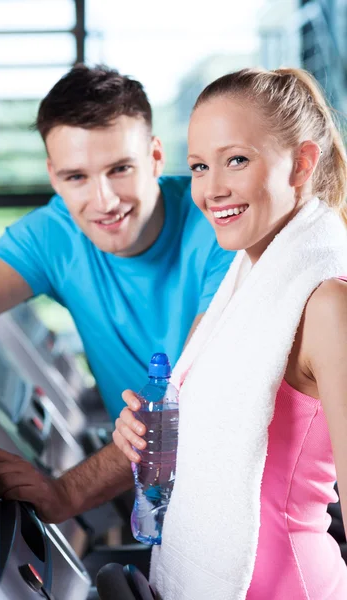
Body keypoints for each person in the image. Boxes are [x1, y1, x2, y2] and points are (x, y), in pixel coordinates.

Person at [0, 64, 234, 522]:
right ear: (52, 175)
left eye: (120, 169)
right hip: (165, 502)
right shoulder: (57, 234)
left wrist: (68, 493)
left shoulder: (220, 228)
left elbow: (185, 405)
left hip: (251, 497)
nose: (103, 201)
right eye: (76, 177)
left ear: (156, 156)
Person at [113, 67, 347, 599]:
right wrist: (141, 435)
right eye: (199, 166)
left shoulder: (330, 304)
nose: (212, 189)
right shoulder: (235, 291)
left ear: (302, 164)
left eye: (236, 160)